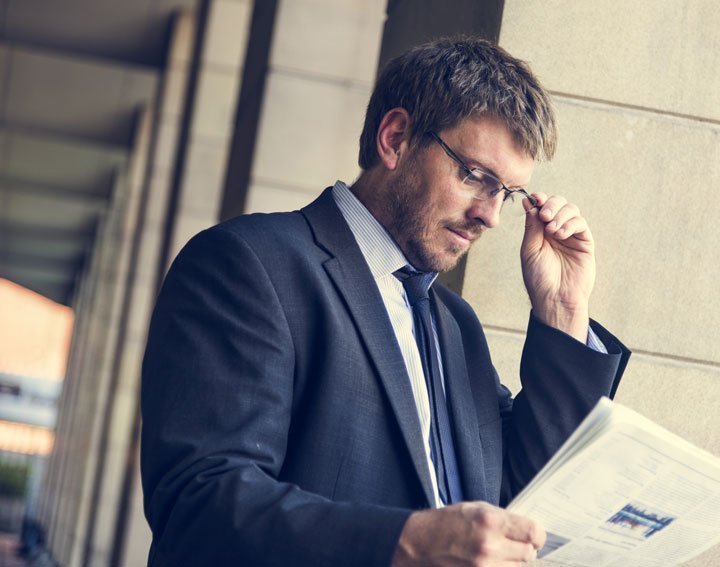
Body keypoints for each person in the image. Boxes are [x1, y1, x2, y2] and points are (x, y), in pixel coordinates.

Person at [140, 37, 629, 566]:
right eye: (475, 177)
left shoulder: (456, 326)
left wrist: (562, 312)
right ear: (395, 139)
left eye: (505, 193)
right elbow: (198, 504)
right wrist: (405, 542)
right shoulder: (250, 265)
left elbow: (517, 499)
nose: (490, 215)